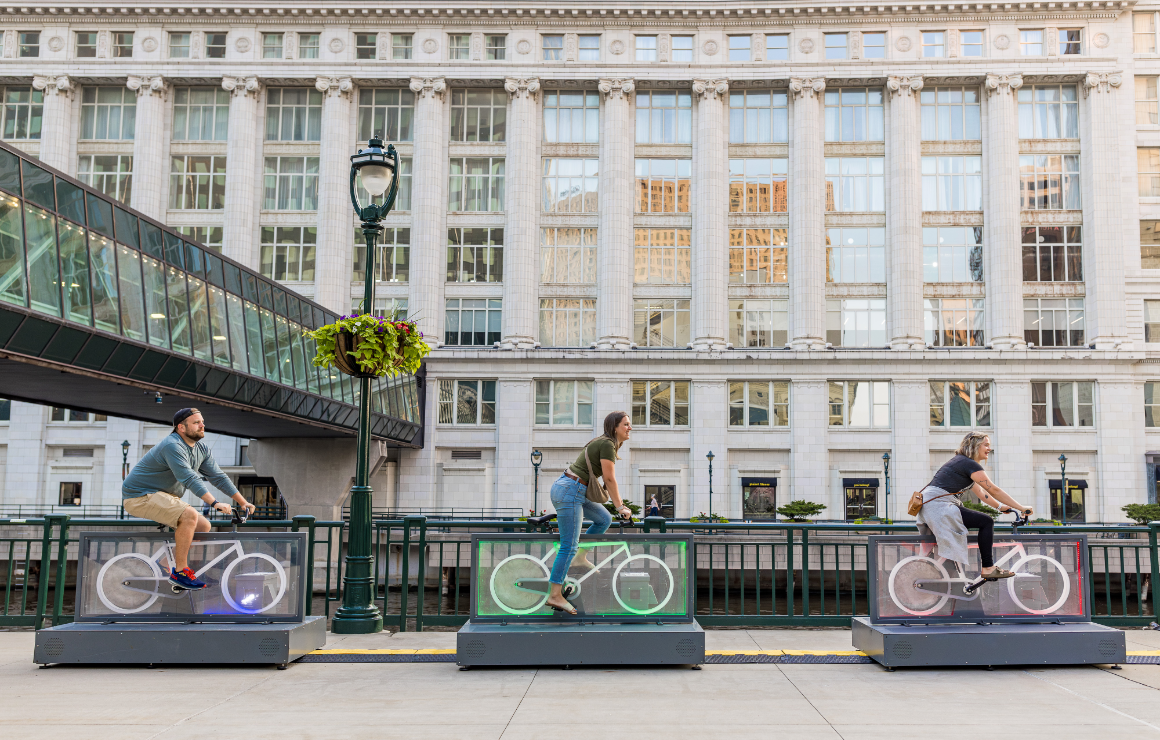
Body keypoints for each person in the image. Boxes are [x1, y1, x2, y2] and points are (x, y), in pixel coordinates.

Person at [122, 408, 256, 591]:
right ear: (181, 428)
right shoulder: (172, 445)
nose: (202, 425)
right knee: (189, 514)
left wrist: (242, 502)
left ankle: (165, 564)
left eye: (202, 421)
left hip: (162, 496)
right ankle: (180, 572)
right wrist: (215, 503)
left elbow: (218, 476)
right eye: (196, 422)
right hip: (139, 496)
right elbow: (189, 478)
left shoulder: (201, 449)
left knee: (203, 526)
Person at [917, 431, 1034, 588]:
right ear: (975, 446)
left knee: (980, 522)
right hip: (939, 505)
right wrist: (1021, 508)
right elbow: (993, 489)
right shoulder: (969, 464)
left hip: (934, 505)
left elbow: (981, 493)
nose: (989, 449)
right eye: (986, 445)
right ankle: (988, 568)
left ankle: (953, 571)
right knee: (986, 521)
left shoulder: (961, 463)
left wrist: (1000, 507)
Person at [544, 411, 633, 615]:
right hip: (570, 490)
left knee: (603, 519)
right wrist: (621, 507)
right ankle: (555, 594)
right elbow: (609, 479)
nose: (630, 428)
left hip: (573, 489)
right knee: (568, 545)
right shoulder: (607, 444)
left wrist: (616, 509)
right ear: (615, 427)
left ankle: (579, 558)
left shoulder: (607, 443)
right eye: (626, 424)